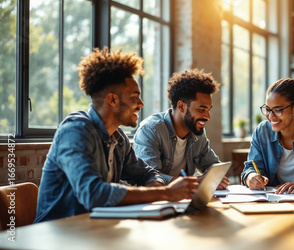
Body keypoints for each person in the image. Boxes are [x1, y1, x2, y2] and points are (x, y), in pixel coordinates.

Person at [35, 48, 199, 223]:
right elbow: (92, 193)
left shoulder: (118, 138)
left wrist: (158, 193)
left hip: (95, 231)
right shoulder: (75, 131)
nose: (141, 104)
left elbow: (146, 174)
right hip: (57, 235)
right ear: (112, 100)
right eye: (135, 96)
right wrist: (165, 193)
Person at [133, 69, 229, 190]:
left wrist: (217, 177)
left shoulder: (197, 132)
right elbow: (147, 178)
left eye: (208, 110)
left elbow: (212, 164)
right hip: (151, 203)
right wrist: (195, 181)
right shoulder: (151, 130)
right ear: (181, 106)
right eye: (201, 109)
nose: (207, 116)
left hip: (183, 200)